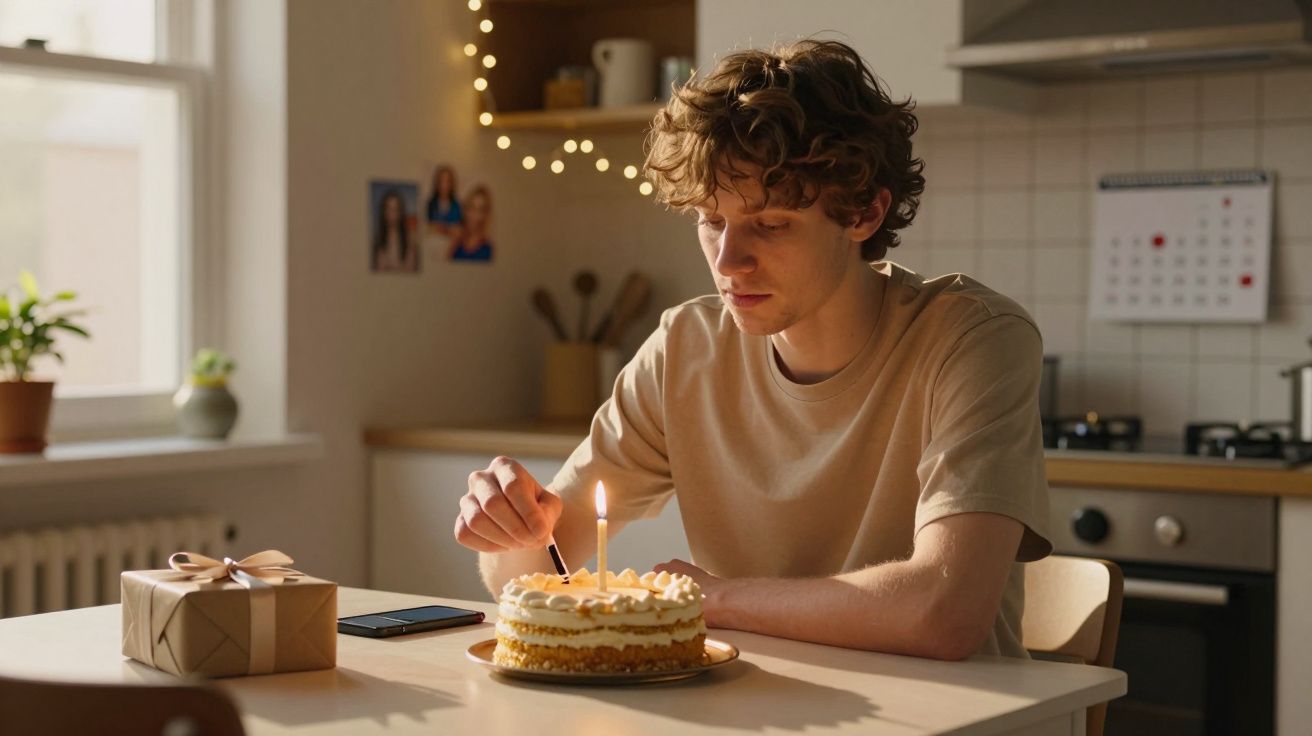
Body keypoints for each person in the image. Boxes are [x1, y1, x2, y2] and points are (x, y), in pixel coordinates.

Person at [453, 40, 1051, 660]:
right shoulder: (684, 349)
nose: (727, 262)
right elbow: (526, 576)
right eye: (711, 221)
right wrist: (510, 528)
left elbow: (943, 614)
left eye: (770, 224)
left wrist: (717, 599)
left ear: (865, 214)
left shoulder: (973, 338)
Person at [372, 188, 418, 272]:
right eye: (389, 209)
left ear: (400, 213)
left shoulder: (410, 239)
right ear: (384, 212)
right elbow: (379, 270)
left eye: (395, 209)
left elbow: (411, 270)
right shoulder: (378, 240)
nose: (392, 214)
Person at [448, 185, 494, 262]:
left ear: (485, 215)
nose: (474, 215)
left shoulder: (488, 249)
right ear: (465, 211)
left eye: (480, 210)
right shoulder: (456, 244)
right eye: (471, 208)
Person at [426, 165, 463, 235]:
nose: (444, 185)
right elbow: (430, 228)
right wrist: (448, 228)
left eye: (447, 181)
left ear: (452, 184)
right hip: (434, 242)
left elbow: (458, 230)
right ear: (437, 183)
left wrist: (443, 228)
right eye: (441, 181)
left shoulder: (457, 206)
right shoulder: (431, 204)